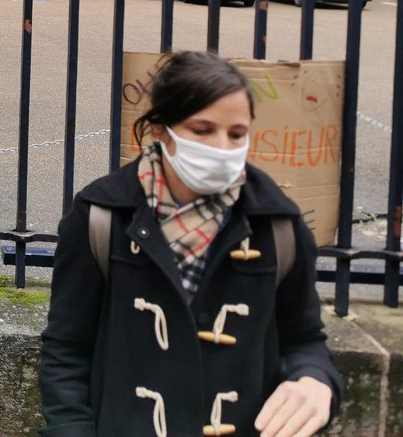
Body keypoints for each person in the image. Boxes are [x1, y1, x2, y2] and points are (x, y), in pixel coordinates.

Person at [39, 51, 340, 437]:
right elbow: (67, 350)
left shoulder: (278, 225)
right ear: (161, 130)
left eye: (236, 134)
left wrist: (316, 381)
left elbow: (304, 340)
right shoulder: (101, 217)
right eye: (202, 130)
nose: (222, 147)